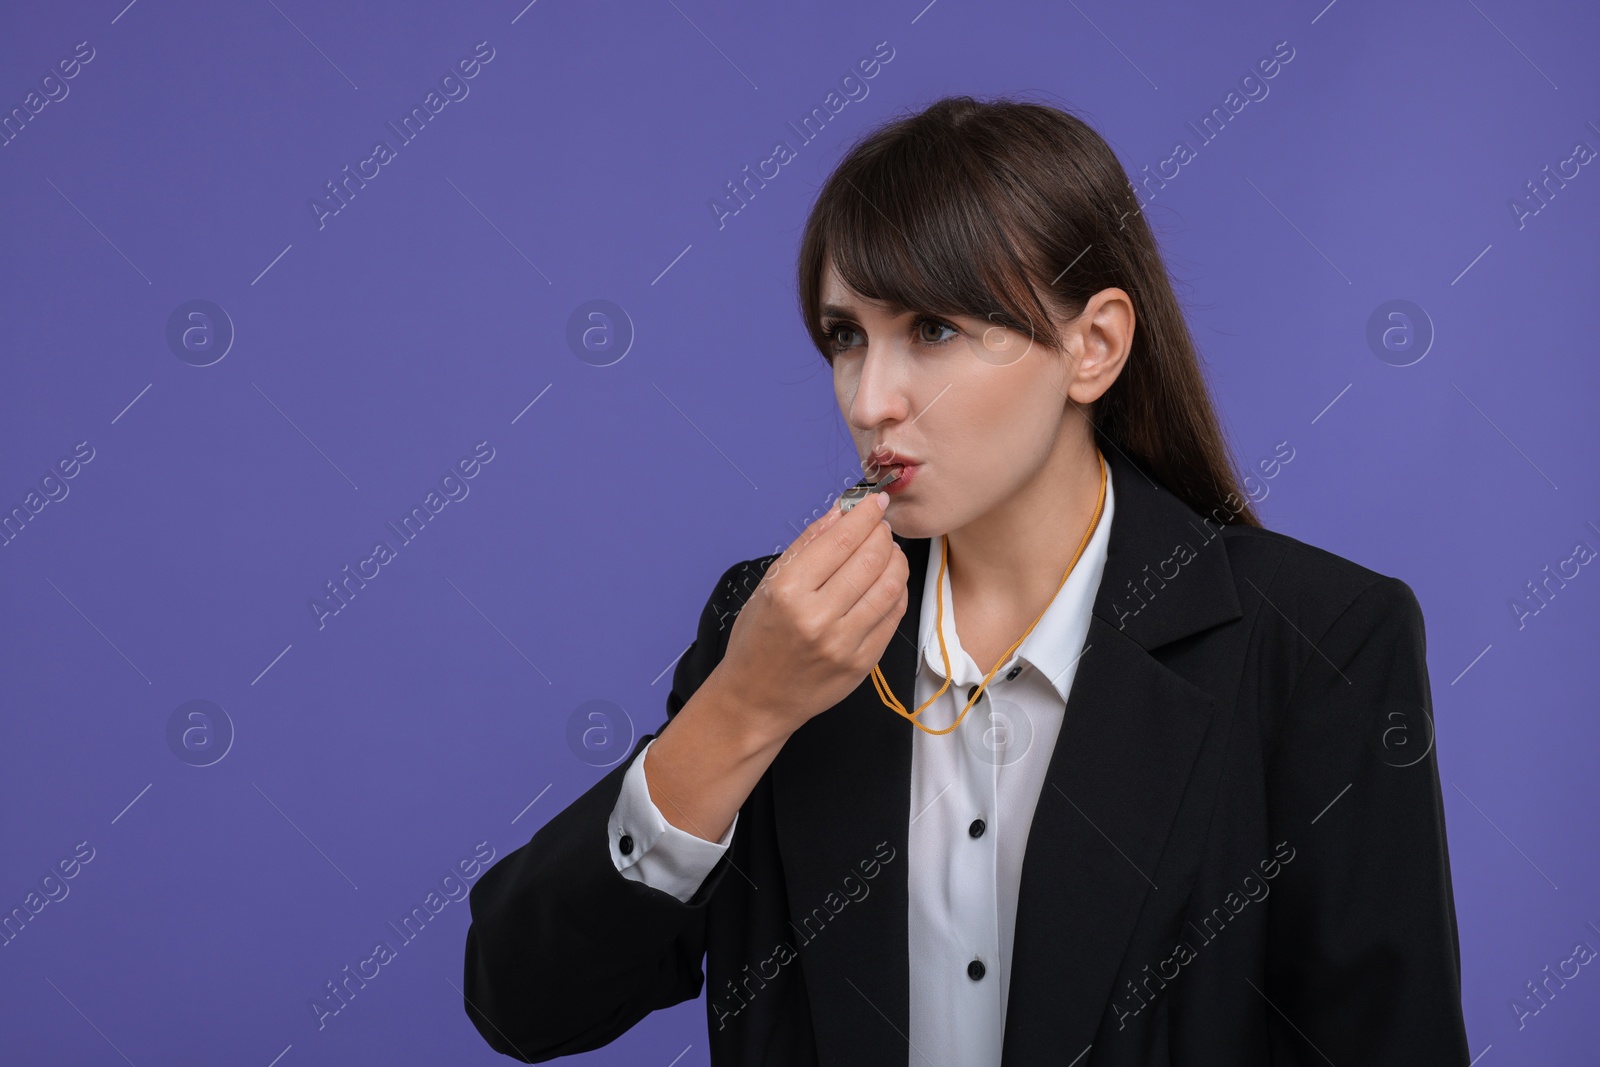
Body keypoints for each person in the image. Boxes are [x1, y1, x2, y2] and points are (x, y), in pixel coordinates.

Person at [462, 95, 1471, 1066]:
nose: (870, 398)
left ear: (1094, 344)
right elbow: (523, 1002)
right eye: (845, 335)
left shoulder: (1318, 640)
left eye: (933, 330)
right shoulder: (769, 626)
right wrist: (739, 709)